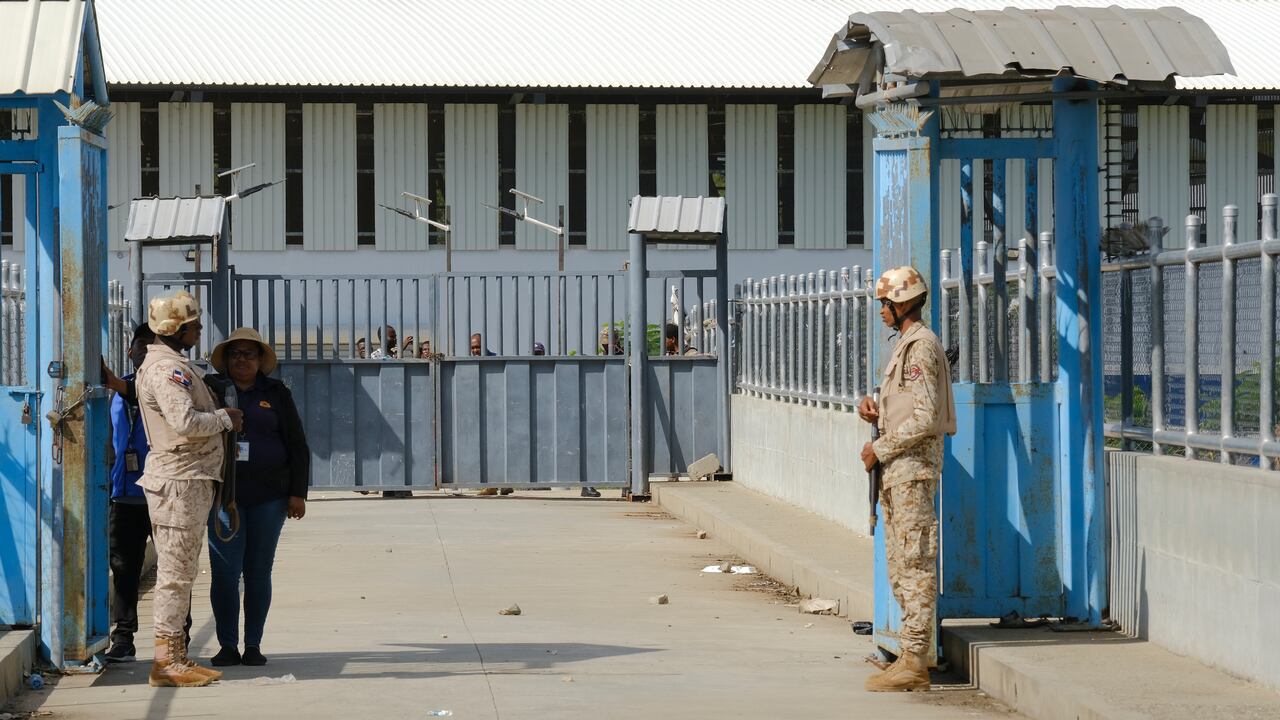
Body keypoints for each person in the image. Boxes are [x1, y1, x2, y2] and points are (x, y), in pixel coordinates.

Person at [135, 290, 243, 687]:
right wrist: (225, 419)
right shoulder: (166, 370)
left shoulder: (174, 363)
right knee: (175, 575)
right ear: (174, 328)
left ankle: (176, 654)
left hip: (187, 480)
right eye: (193, 325)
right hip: (178, 481)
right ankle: (165, 662)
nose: (199, 330)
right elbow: (186, 423)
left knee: (181, 574)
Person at [856, 265, 956, 693]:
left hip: (911, 471)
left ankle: (916, 659)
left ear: (904, 304)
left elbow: (925, 418)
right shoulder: (905, 346)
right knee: (900, 565)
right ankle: (910, 655)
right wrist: (875, 409)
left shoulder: (921, 347)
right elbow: (906, 407)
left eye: (886, 303)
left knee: (914, 565)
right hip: (898, 474)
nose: (882, 310)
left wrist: (877, 448)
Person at [205, 328, 310, 667]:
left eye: (249, 354)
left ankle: (253, 644)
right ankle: (227, 644)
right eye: (236, 353)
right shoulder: (213, 390)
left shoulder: (276, 393)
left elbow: (297, 445)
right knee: (224, 572)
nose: (242, 360)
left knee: (258, 570)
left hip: (269, 496)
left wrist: (297, 493)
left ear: (261, 360)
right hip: (224, 496)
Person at [101, 324, 192, 663]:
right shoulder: (114, 391)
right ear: (130, 350)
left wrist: (117, 385)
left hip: (166, 492)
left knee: (174, 568)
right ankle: (123, 638)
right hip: (125, 494)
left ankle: (177, 637)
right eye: (141, 345)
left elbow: (151, 397)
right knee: (123, 568)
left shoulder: (173, 381)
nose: (146, 352)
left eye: (153, 346)